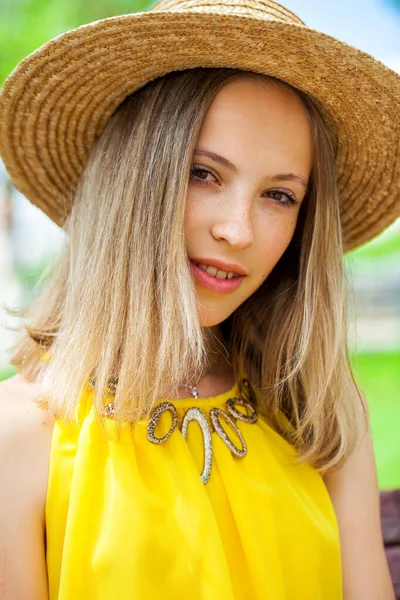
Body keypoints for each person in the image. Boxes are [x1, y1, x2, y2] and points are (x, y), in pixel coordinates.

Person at [0, 0, 398, 598]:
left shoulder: (320, 420)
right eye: (203, 173)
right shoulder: (21, 437)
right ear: (135, 181)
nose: (238, 231)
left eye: (280, 196)